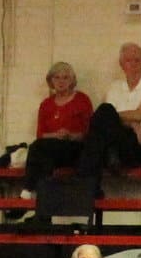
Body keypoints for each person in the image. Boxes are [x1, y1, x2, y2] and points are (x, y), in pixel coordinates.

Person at [79, 41, 141, 182]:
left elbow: (139, 114)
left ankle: (85, 182)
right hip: (122, 137)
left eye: (137, 60)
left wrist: (128, 120)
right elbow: (110, 121)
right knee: (103, 119)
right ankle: (92, 182)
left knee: (104, 114)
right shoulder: (114, 87)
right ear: (121, 64)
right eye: (128, 60)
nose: (133, 64)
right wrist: (132, 124)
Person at [22, 61, 94, 196]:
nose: (61, 81)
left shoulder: (82, 100)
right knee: (39, 150)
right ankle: (42, 205)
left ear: (72, 80)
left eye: (66, 77)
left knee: (41, 153)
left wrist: (70, 135)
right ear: (51, 81)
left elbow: (89, 132)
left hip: (74, 148)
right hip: (52, 148)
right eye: (57, 77)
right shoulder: (46, 104)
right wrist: (55, 135)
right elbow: (40, 134)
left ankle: (28, 192)